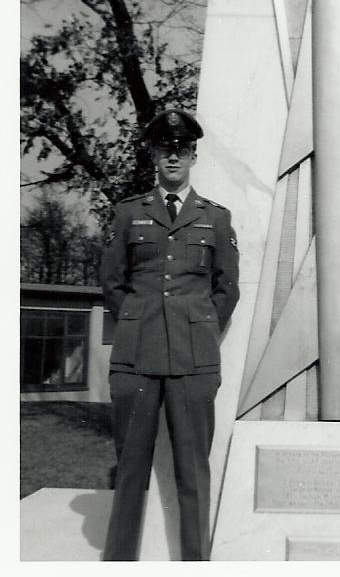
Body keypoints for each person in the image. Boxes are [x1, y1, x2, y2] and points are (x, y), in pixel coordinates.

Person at [101, 108, 240, 560]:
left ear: (193, 156)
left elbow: (226, 289)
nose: (173, 158)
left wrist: (198, 327)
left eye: (181, 151)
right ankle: (119, 561)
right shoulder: (128, 214)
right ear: (154, 157)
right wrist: (137, 322)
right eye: (165, 151)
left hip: (193, 359)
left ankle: (194, 563)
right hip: (136, 357)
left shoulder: (215, 218)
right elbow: (112, 283)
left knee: (193, 469)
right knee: (130, 468)